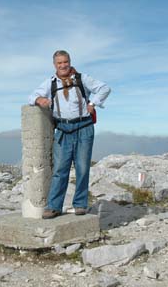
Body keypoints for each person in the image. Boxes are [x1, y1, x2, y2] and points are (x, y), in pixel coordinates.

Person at [28, 50, 111, 218]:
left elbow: (104, 88)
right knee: (60, 169)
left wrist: (93, 103)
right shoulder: (50, 83)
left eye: (65, 62)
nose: (63, 65)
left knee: (82, 167)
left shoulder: (81, 78)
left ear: (69, 61)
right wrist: (39, 100)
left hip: (84, 127)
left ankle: (80, 204)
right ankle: (54, 206)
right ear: (55, 65)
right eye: (59, 63)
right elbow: (32, 96)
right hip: (63, 129)